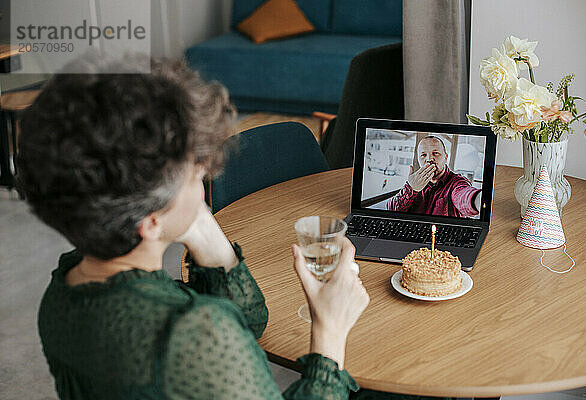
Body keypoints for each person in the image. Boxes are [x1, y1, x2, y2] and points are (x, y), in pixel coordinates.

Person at [16, 55, 370, 399]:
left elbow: (245, 324)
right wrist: (329, 332)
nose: (206, 172)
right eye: (195, 172)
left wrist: (200, 228)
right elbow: (222, 337)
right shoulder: (191, 333)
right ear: (150, 222)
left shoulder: (62, 288)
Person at [386, 136, 482, 217]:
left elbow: (464, 195)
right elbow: (391, 211)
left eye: (435, 153)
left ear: (445, 157)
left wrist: (478, 199)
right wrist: (410, 189)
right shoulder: (414, 182)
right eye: (423, 155)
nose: (429, 159)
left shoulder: (456, 182)